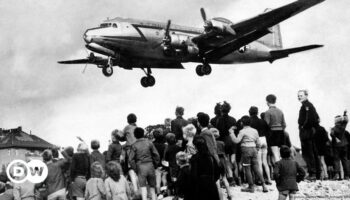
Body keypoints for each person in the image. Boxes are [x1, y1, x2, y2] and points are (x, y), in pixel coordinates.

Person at [229, 116, 268, 193]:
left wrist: (231, 132)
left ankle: (251, 187)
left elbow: (236, 141)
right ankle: (264, 185)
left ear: (242, 123)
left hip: (246, 150)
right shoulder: (255, 130)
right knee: (256, 168)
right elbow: (258, 142)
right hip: (254, 149)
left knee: (247, 168)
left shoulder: (242, 131)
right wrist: (256, 150)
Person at [129, 127, 160, 200]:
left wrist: (136, 169)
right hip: (150, 165)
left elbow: (131, 159)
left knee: (143, 187)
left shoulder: (134, 145)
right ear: (143, 134)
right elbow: (156, 155)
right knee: (152, 186)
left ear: (135, 135)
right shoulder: (149, 142)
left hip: (140, 167)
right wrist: (155, 165)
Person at [297, 90, 320, 180]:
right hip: (309, 132)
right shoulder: (309, 105)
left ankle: (312, 174)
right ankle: (315, 173)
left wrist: (303, 126)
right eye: (298, 96)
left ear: (306, 95)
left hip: (306, 132)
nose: (299, 97)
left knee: (308, 153)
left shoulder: (306, 106)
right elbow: (317, 118)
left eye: (301, 95)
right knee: (312, 153)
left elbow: (311, 118)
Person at [190, 136, 220, 200]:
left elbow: (193, 176)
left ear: (196, 146)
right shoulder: (211, 157)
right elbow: (217, 173)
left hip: (200, 187)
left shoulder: (195, 158)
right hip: (211, 186)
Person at [215, 101, 237, 184]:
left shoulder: (219, 120)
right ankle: (236, 177)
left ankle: (230, 177)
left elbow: (218, 132)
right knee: (233, 159)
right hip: (232, 140)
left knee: (225, 160)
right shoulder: (233, 119)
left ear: (221, 110)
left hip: (224, 140)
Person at [249, 106, 272, 185]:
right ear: (257, 112)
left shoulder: (250, 122)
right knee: (264, 162)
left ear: (250, 112)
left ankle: (261, 181)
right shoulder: (263, 121)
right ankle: (269, 179)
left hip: (257, 141)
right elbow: (269, 131)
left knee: (259, 163)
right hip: (264, 140)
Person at [211, 128, 233, 200]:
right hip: (223, 161)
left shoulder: (211, 143)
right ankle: (229, 194)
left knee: (217, 180)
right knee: (224, 178)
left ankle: (220, 197)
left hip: (215, 161)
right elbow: (224, 153)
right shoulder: (222, 143)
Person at [264, 94, 286, 165]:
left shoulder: (268, 112)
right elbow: (284, 124)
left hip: (272, 133)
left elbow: (266, 125)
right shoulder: (280, 111)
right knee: (280, 154)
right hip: (281, 132)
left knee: (275, 154)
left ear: (267, 102)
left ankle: (279, 171)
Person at [331, 115, 349, 180]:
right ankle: (347, 176)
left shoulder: (333, 128)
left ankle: (337, 175)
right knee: (345, 160)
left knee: (336, 160)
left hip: (336, 146)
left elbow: (332, 134)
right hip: (344, 146)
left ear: (335, 121)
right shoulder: (343, 128)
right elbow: (346, 120)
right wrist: (345, 115)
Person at [152, 128, 167, 194]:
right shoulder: (165, 145)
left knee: (157, 180)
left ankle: (158, 194)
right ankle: (165, 193)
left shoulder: (152, 145)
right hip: (164, 164)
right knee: (164, 179)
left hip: (156, 165)